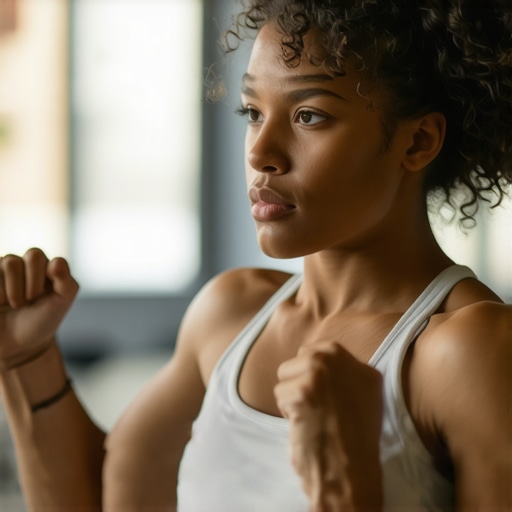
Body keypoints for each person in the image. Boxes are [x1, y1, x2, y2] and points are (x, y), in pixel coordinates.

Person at [1, 0, 511, 510]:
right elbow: (105, 498)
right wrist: (26, 358)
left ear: (418, 141)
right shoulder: (228, 313)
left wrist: (344, 484)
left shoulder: (473, 352)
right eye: (253, 112)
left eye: (309, 115)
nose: (259, 153)